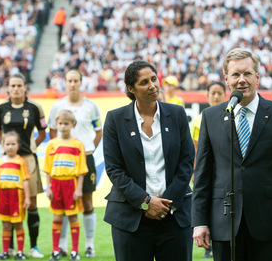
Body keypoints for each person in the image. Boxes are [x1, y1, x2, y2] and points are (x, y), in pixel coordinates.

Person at [192, 48, 272, 261]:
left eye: (247, 74)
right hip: (223, 223)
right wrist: (199, 221)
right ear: (227, 79)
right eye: (235, 74)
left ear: (258, 77)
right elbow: (203, 175)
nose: (241, 80)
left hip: (269, 222)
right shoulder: (210, 117)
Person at [103, 61, 194, 261]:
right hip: (131, 218)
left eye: (154, 79)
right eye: (144, 82)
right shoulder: (115, 119)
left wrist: (165, 204)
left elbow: (187, 161)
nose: (152, 85)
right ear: (130, 88)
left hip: (174, 216)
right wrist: (146, 202)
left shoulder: (177, 114)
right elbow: (114, 169)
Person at [48, 70, 102, 258]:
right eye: (69, 81)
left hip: (85, 157)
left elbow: (98, 131)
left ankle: (89, 245)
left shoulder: (91, 106)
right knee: (61, 205)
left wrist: (87, 150)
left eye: (75, 81)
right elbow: (53, 132)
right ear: (65, 83)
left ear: (81, 83)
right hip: (63, 161)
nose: (72, 84)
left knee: (87, 201)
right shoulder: (58, 106)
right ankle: (62, 246)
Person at [0, 73, 47, 258]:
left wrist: (31, 147)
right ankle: (9, 248)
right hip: (8, 163)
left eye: (19, 85)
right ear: (8, 88)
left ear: (25, 87)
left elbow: (42, 132)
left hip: (28, 160)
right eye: (12, 86)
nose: (16, 88)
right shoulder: (1, 108)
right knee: (8, 202)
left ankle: (33, 247)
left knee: (31, 203)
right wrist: (7, 150)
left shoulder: (35, 107)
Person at [44, 110, 88, 261]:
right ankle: (55, 249)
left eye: (66, 124)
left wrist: (79, 188)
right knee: (57, 217)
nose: (63, 127)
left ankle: (74, 250)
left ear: (73, 125)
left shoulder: (77, 145)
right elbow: (47, 170)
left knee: (73, 217)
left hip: (71, 183)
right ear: (56, 125)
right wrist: (48, 187)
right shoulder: (51, 145)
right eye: (60, 124)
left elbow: (82, 170)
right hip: (56, 184)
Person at [190, 81, 226, 258]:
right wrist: (195, 171)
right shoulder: (200, 120)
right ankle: (208, 245)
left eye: (220, 93)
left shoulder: (232, 115)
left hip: (223, 172)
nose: (216, 96)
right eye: (213, 93)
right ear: (207, 96)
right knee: (207, 205)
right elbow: (197, 150)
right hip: (206, 172)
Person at [0, 131, 31, 261]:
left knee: (18, 224)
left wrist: (28, 198)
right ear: (3, 145)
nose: (10, 147)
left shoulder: (21, 162)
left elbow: (25, 180)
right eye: (7, 144)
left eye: (13, 144)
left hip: (17, 196)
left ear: (18, 145)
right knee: (6, 225)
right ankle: (5, 251)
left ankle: (20, 251)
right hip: (3, 197)